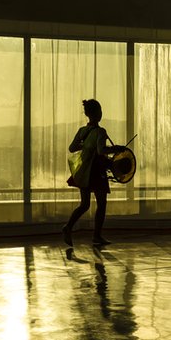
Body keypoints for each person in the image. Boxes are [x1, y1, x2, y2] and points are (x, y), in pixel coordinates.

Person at [63, 99, 112, 246]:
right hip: (97, 172)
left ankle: (68, 227)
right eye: (100, 111)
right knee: (101, 204)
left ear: (87, 114)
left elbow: (72, 148)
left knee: (84, 204)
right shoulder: (100, 132)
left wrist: (85, 146)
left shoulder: (82, 131)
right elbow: (101, 151)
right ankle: (97, 236)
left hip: (84, 172)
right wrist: (117, 149)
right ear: (98, 113)